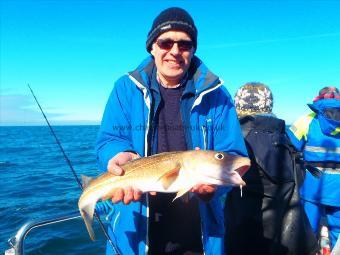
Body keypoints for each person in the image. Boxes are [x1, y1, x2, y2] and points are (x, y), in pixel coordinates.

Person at [95, 7, 248, 255]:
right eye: (166, 42)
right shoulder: (125, 88)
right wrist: (118, 155)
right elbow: (108, 141)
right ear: (152, 47)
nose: (175, 51)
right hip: (135, 230)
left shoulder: (217, 94)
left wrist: (214, 189)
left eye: (184, 44)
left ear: (193, 49)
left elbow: (231, 151)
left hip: (200, 237)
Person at [224, 82, 318, 255]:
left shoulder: (234, 143)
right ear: (269, 105)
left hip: (242, 236)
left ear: (237, 105)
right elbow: (299, 179)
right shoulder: (286, 140)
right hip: (287, 239)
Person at [287, 86, 340, 250]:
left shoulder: (307, 119)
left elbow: (288, 145)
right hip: (338, 190)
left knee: (308, 230)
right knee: (338, 234)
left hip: (312, 186)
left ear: (319, 99)